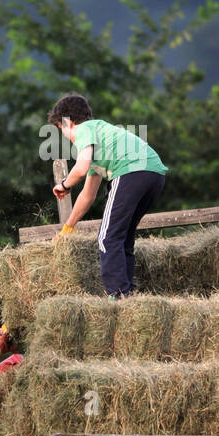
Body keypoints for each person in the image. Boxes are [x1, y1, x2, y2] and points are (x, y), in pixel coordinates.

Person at [47, 94, 167, 299]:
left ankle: (117, 295)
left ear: (69, 122)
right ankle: (128, 294)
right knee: (123, 237)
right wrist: (69, 227)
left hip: (131, 172)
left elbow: (81, 167)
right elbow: (87, 195)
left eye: (61, 129)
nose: (65, 136)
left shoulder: (85, 129)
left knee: (107, 237)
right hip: (154, 174)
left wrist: (65, 184)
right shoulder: (102, 137)